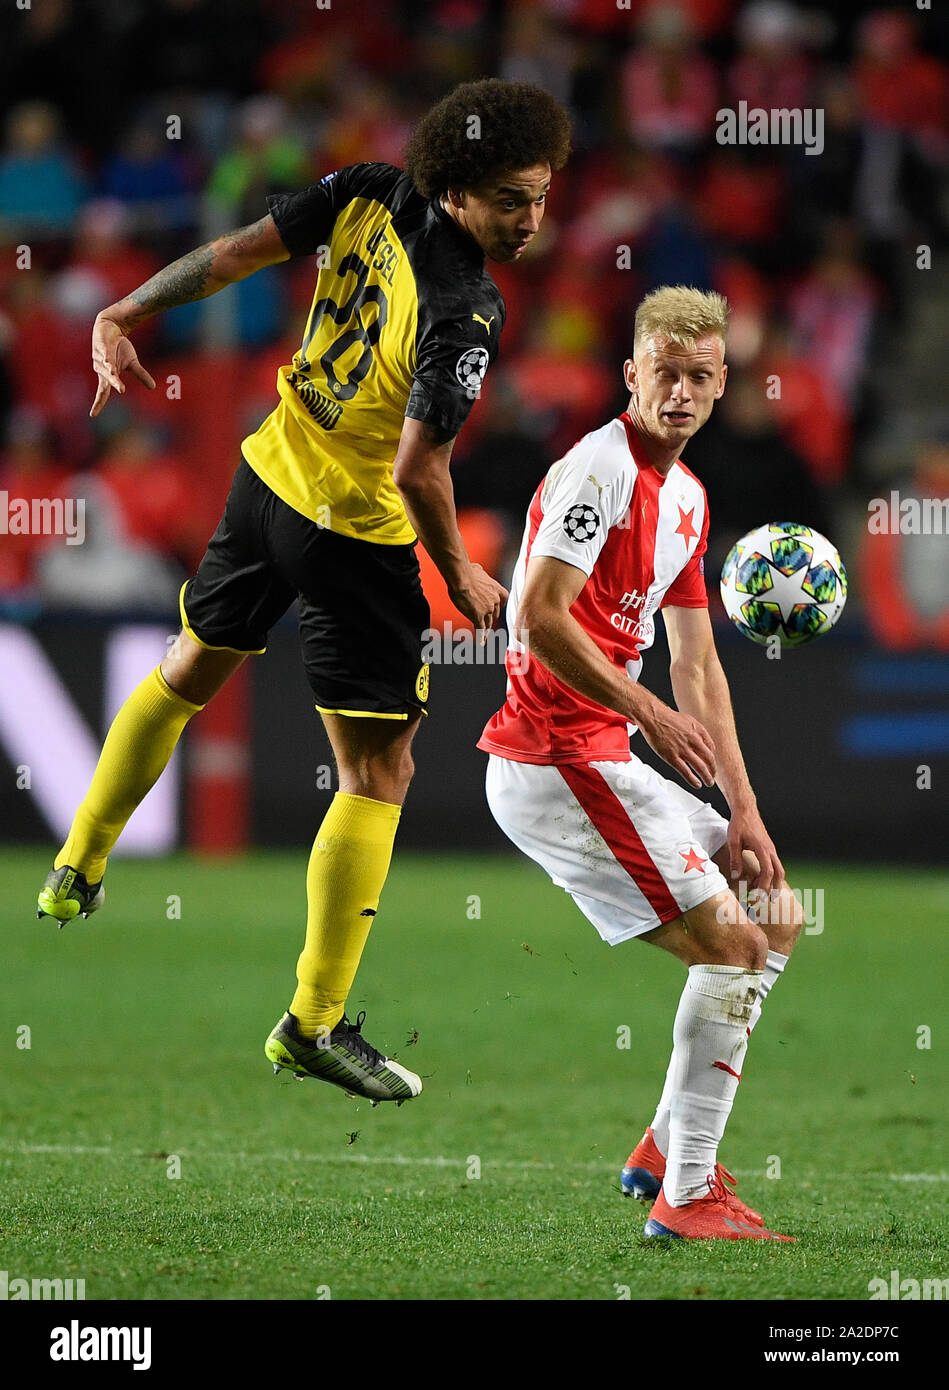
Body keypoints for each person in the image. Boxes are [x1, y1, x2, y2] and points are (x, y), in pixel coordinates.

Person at [36, 78, 571, 1106]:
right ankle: (313, 1021)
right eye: (511, 198)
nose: (531, 219)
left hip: (267, 472)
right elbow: (420, 470)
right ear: (454, 188)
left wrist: (127, 307)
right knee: (379, 773)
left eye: (541, 196)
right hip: (354, 532)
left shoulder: (368, 188)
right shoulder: (465, 307)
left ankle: (79, 860)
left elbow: (234, 254)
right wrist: (457, 569)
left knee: (190, 663)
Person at [479, 285, 802, 1239]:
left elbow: (699, 664)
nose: (681, 392)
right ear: (632, 373)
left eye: (699, 377)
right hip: (551, 759)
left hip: (603, 755)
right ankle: (689, 1195)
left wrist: (744, 809)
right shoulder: (597, 472)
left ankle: (667, 1142)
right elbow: (537, 614)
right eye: (665, 373)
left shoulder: (690, 500)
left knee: (774, 913)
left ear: (719, 385)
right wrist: (644, 709)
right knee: (733, 950)